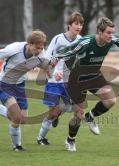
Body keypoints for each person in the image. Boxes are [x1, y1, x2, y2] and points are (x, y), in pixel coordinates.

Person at [53, 17, 119, 151]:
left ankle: (91, 116)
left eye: (112, 32)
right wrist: (55, 58)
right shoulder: (86, 42)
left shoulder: (111, 40)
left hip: (94, 76)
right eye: (108, 33)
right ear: (99, 32)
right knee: (78, 115)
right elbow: (68, 50)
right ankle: (70, 140)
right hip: (78, 80)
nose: (111, 36)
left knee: (111, 100)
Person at [0, 30, 49, 151]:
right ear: (29, 44)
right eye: (37, 48)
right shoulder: (14, 49)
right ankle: (17, 146)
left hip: (20, 85)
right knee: (16, 117)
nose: (40, 51)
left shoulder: (40, 53)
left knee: (22, 119)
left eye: (41, 48)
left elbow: (45, 65)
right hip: (5, 83)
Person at [36, 11, 84, 145]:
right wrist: (53, 71)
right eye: (76, 23)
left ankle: (60, 118)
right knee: (52, 113)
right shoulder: (58, 39)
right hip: (54, 81)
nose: (78, 26)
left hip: (70, 81)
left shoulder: (81, 40)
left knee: (77, 110)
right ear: (69, 25)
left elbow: (81, 59)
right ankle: (41, 137)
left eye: (81, 24)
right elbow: (47, 58)